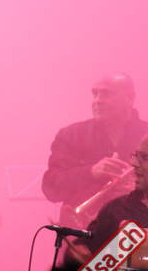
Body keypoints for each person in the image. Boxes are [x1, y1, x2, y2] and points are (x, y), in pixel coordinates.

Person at [42, 73, 148, 228]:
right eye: (95, 94)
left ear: (130, 98)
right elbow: (51, 188)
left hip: (138, 229)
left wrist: (138, 187)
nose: (97, 100)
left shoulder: (145, 134)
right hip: (82, 231)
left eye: (106, 94)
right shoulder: (71, 135)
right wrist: (91, 172)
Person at [83, 133, 148, 254]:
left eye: (145, 157)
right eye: (136, 156)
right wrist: (77, 252)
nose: (134, 163)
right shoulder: (114, 210)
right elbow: (86, 252)